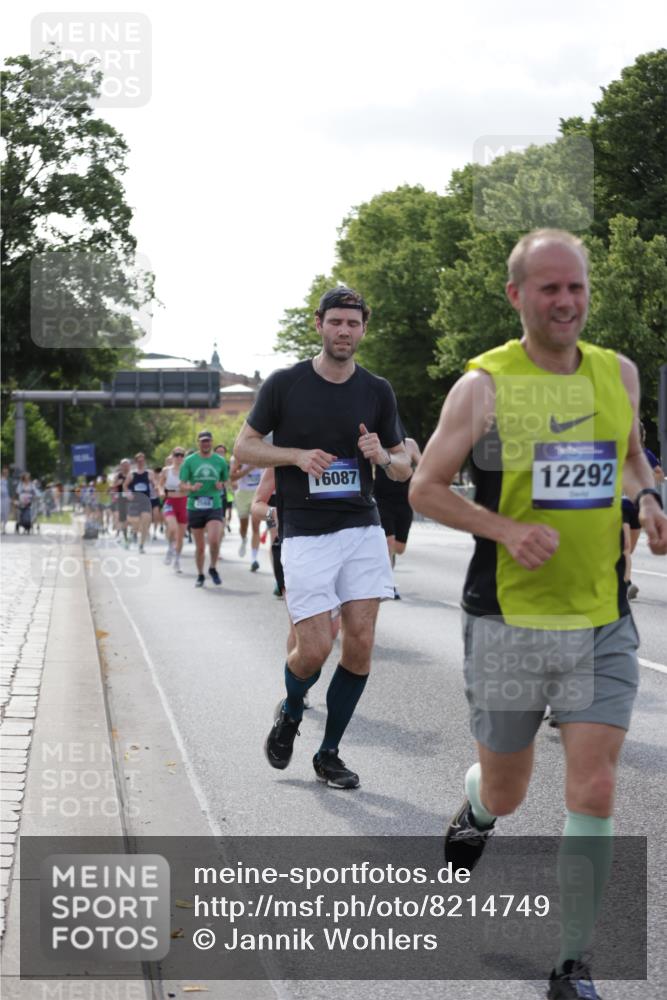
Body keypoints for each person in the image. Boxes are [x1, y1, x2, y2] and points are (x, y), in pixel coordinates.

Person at [409, 228, 667, 1000]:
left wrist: (648, 495)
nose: (565, 302)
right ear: (516, 295)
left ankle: (572, 964)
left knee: (592, 787)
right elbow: (425, 487)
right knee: (511, 785)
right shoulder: (483, 386)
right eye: (548, 288)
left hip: (600, 618)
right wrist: (505, 529)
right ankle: (478, 808)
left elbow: (629, 451)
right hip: (507, 620)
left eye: (576, 287)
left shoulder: (614, 373)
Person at [234, 286, 411, 789]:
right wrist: (293, 456)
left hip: (361, 527)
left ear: (363, 329)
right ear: (319, 324)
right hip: (306, 533)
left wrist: (382, 457)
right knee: (312, 650)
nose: (344, 332)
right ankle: (291, 711)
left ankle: (329, 752)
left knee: (360, 643)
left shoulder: (377, 390)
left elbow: (402, 468)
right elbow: (245, 447)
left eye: (353, 324)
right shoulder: (285, 385)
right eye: (336, 322)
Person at [373, 428, 422, 599]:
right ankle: (389, 584)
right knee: (389, 542)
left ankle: (384, 568)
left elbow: (422, 466)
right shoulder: (379, 444)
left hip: (404, 501)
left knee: (399, 548)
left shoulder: (411, 444)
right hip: (382, 500)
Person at [179, 430, 229, 587]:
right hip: (195, 505)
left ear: (212, 442)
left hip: (214, 504)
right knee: (200, 547)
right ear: (198, 442)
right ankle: (200, 574)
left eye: (208, 441)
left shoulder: (219, 461)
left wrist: (221, 485)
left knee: (214, 540)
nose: (205, 443)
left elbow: (226, 481)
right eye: (203, 441)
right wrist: (192, 487)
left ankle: (213, 568)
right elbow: (182, 485)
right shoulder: (189, 461)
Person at [160, 448, 188, 573]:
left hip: (183, 503)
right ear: (172, 456)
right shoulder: (166, 471)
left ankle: (177, 560)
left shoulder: (187, 471)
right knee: (172, 527)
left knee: (180, 536)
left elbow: (191, 485)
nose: (179, 458)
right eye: (177, 455)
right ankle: (170, 548)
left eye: (181, 455)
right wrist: (161, 491)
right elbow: (160, 484)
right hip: (170, 501)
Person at [231, 461, 263, 568]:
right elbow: (232, 477)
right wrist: (248, 469)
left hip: (257, 494)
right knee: (243, 526)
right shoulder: (239, 457)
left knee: (256, 527)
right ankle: (244, 539)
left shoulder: (263, 456)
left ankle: (254, 559)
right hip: (242, 494)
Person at [124, 453, 156, 553]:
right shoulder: (132, 474)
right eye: (139, 461)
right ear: (136, 462)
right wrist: (128, 494)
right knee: (136, 525)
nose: (141, 462)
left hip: (146, 501)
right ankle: (130, 538)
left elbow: (155, 484)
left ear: (144, 461)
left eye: (142, 461)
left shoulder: (149, 473)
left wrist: (157, 488)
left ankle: (141, 545)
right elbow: (125, 486)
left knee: (145, 522)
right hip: (135, 501)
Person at [1, 466, 11, 533]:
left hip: (7, 498)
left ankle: (4, 527)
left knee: (6, 513)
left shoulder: (9, 480)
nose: (5, 473)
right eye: (4, 472)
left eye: (6, 472)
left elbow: (12, 489)